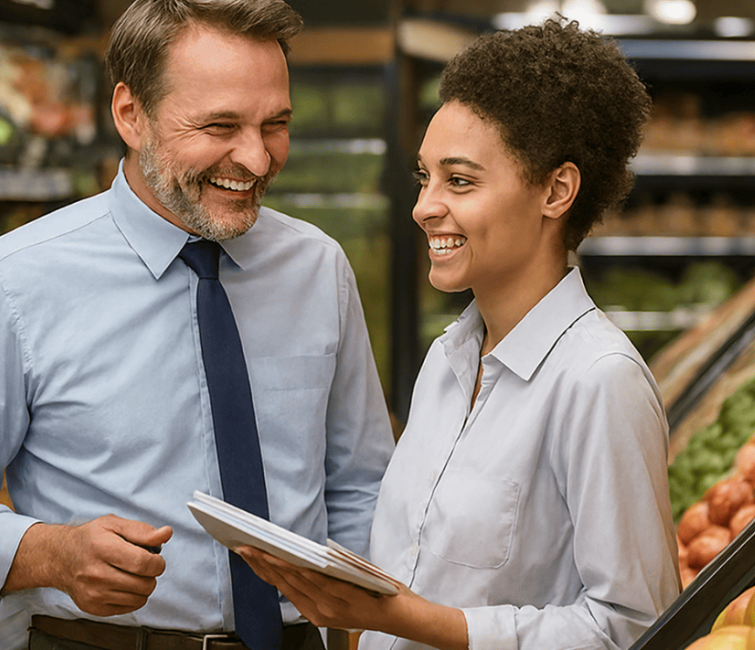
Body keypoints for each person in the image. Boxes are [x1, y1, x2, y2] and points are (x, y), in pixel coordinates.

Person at [0, 2, 395, 650]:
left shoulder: (318, 269)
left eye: (276, 124)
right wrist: (49, 553)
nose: (257, 157)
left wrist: (361, 630)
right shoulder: (15, 280)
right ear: (131, 114)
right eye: (220, 125)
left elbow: (361, 483)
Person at [239, 18, 680, 650]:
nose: (424, 206)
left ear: (557, 190)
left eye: (460, 180)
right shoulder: (447, 360)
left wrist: (410, 620)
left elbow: (633, 628)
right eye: (424, 177)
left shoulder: (598, 380)